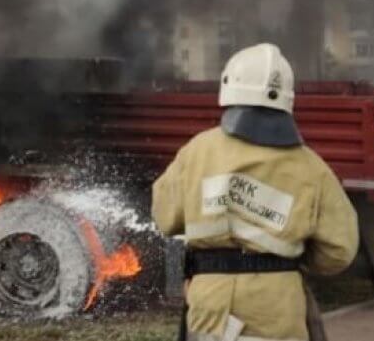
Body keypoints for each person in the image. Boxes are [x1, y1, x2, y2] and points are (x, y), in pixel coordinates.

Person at [152, 43, 359, 341]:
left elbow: (165, 216)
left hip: (210, 300)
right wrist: (289, 258)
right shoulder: (312, 167)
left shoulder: (198, 150)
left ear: (229, 90)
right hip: (277, 302)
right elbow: (340, 249)